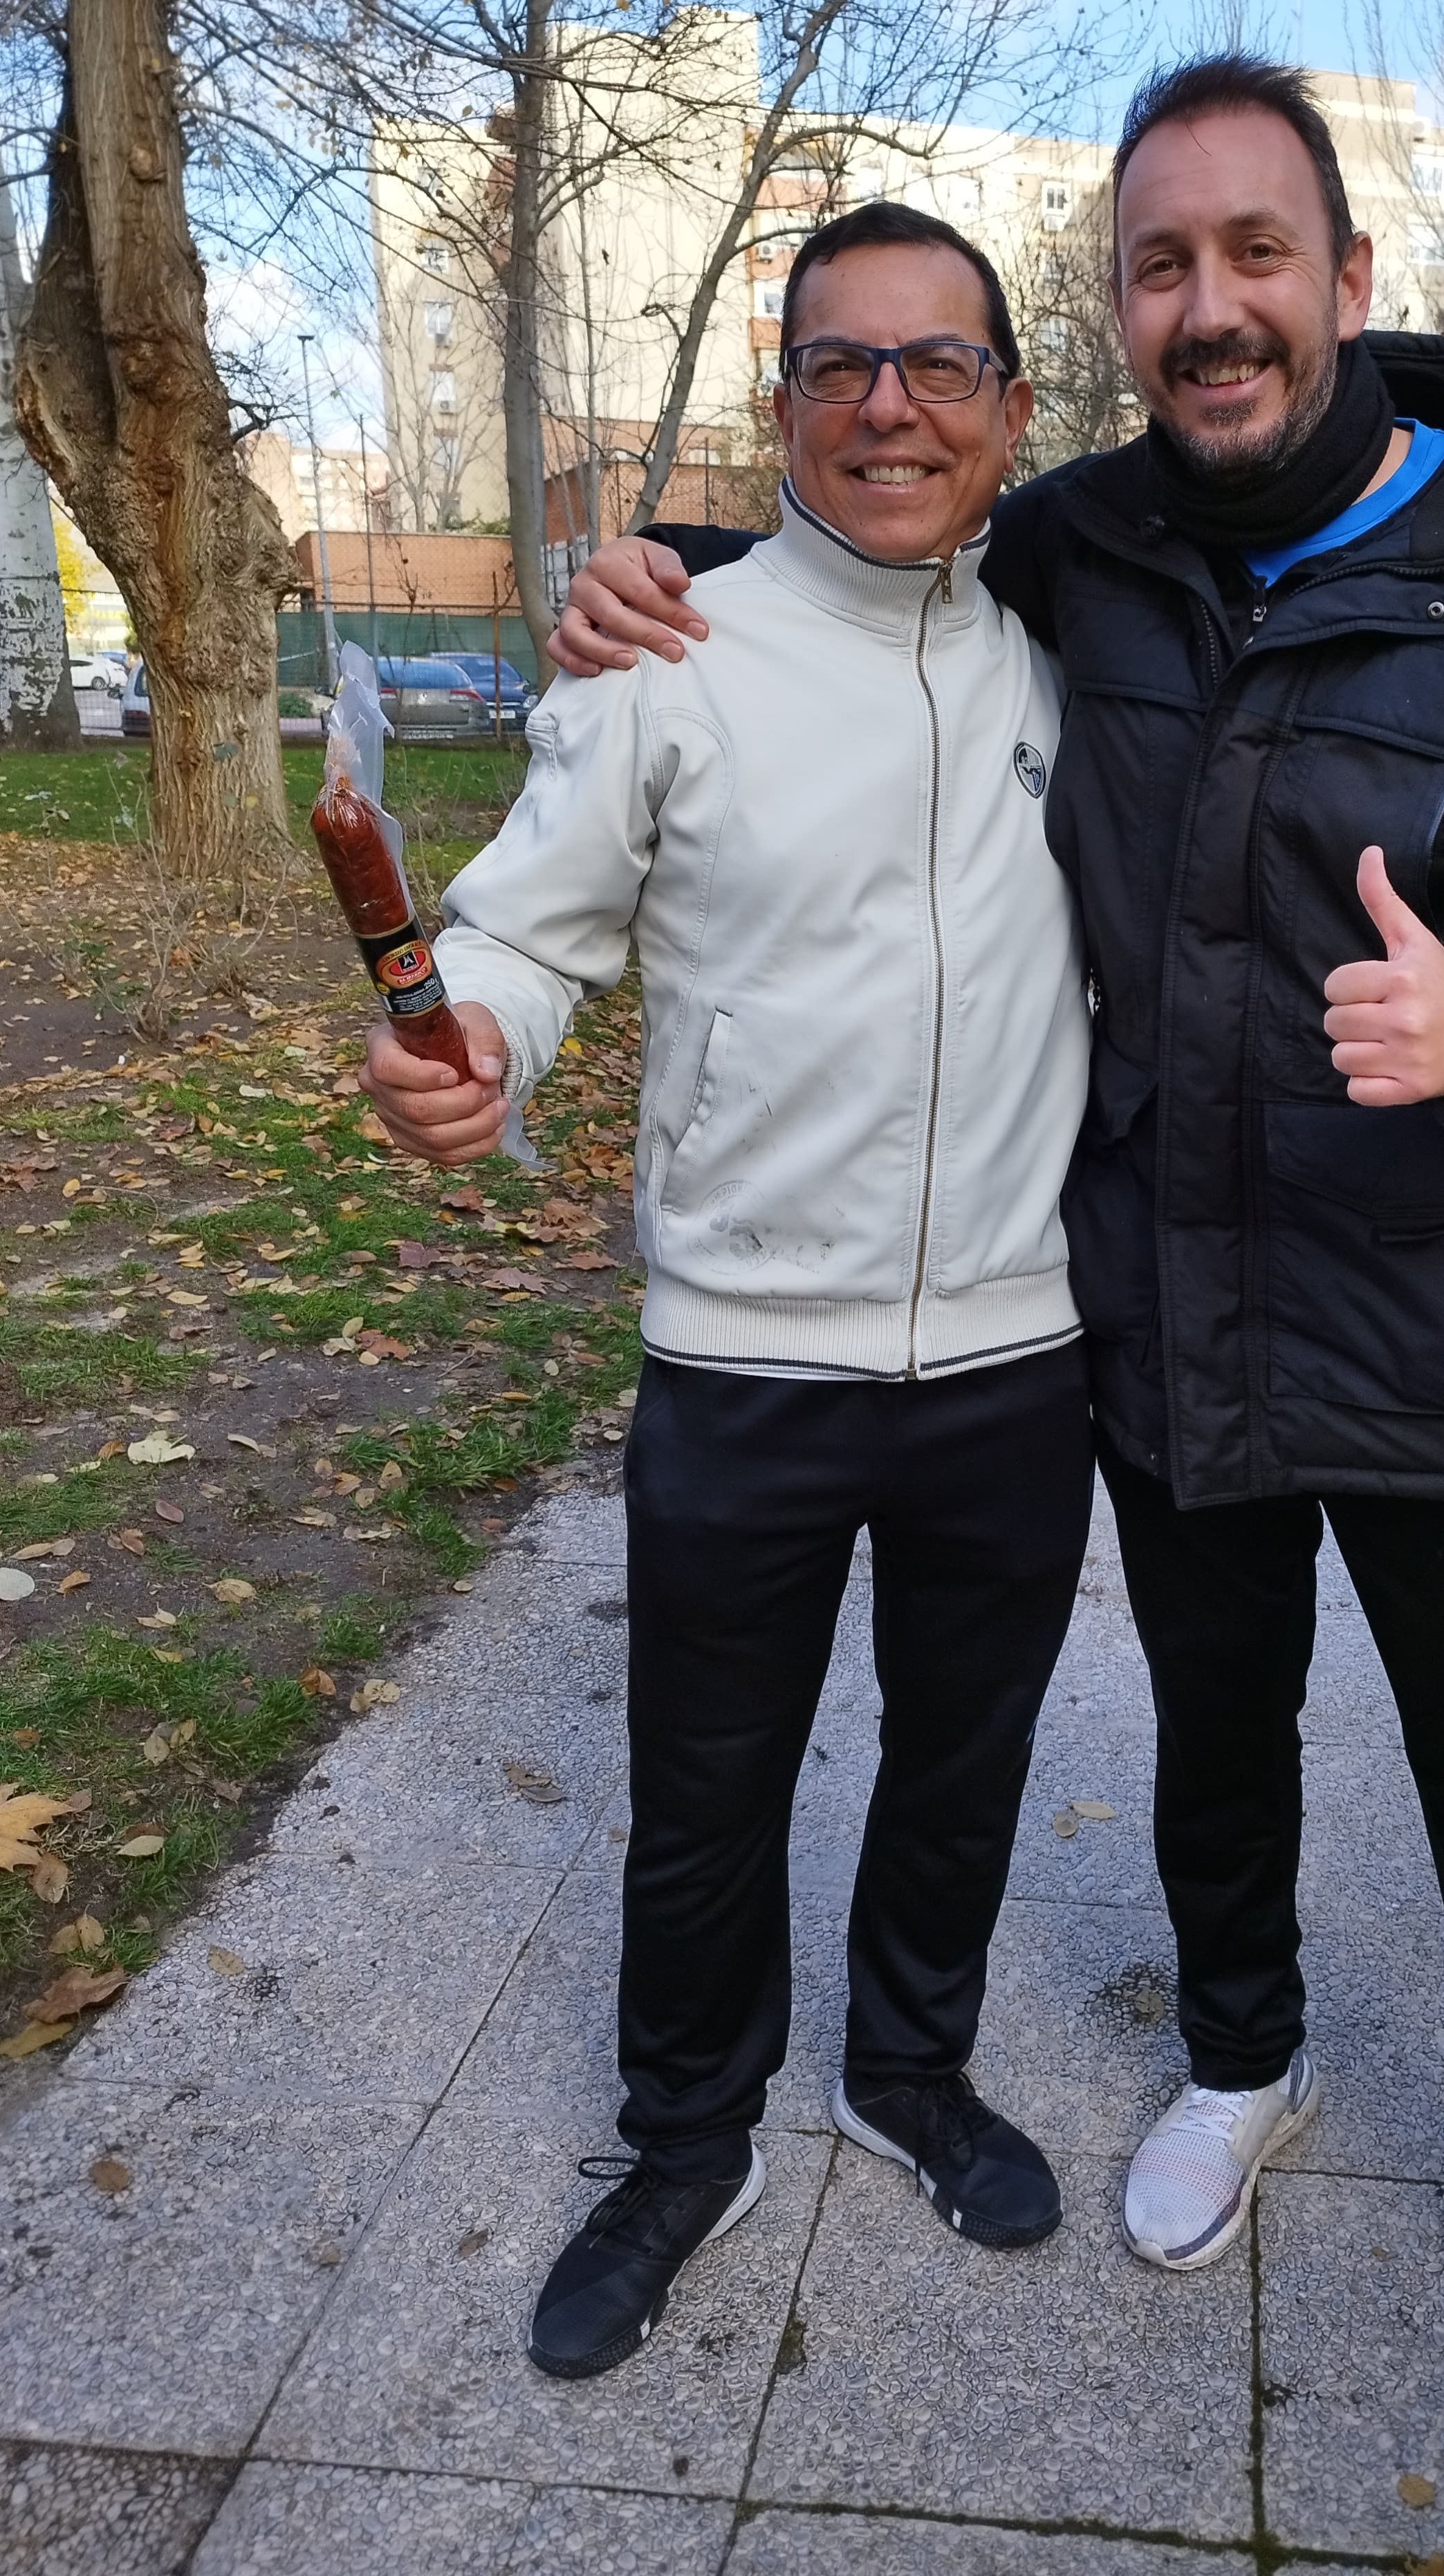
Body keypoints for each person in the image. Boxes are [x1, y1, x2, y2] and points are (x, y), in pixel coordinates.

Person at [548, 55, 1444, 2486]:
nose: (1212, 308)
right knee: (1222, 1735)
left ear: (1349, 279)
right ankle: (1240, 2057)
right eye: (1161, 266)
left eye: (1256, 254)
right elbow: (869, 538)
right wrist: (655, 563)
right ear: (1115, 312)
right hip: (1179, 1296)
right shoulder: (1082, 544)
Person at [360, 207, 1102, 2380]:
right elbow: (526, 929)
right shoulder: (663, 653)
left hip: (1015, 1350)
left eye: (937, 364)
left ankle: (910, 2070)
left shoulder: (1079, 652)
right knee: (706, 1792)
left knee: (961, 1763)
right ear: (779, 406)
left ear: (1010, 408)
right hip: (745, 1357)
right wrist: (473, 1047)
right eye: (838, 365)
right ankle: (687, 2139)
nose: (889, 406)